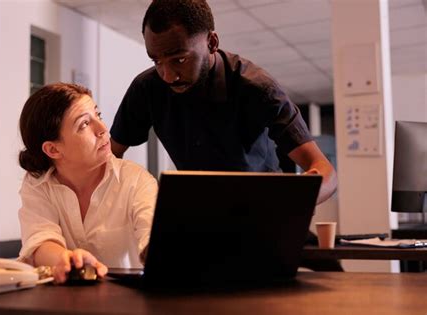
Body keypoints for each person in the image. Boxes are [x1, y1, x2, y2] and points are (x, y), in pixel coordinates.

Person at [110, 0, 337, 205]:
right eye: (157, 61)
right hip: (200, 214)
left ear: (212, 42)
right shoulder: (147, 88)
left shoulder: (258, 89)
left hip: (263, 212)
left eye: (179, 59)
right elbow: (108, 159)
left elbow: (325, 172)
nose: (168, 76)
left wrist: (290, 200)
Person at [17, 83, 158, 283]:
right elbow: (40, 240)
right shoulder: (37, 184)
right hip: (65, 303)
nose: (102, 129)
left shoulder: (136, 180)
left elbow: (151, 233)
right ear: (53, 150)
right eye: (84, 124)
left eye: (98, 116)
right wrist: (66, 259)